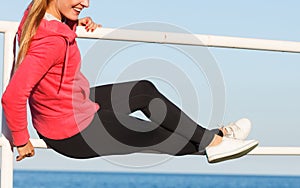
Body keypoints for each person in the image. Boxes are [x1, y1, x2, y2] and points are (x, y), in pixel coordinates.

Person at [1, 0, 258, 164]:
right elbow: (12, 96)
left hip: (70, 104)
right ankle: (216, 141)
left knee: (142, 90)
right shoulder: (52, 42)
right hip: (71, 133)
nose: (86, 3)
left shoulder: (37, 17)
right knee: (157, 135)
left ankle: (215, 139)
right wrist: (22, 140)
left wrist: (72, 23)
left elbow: (50, 38)